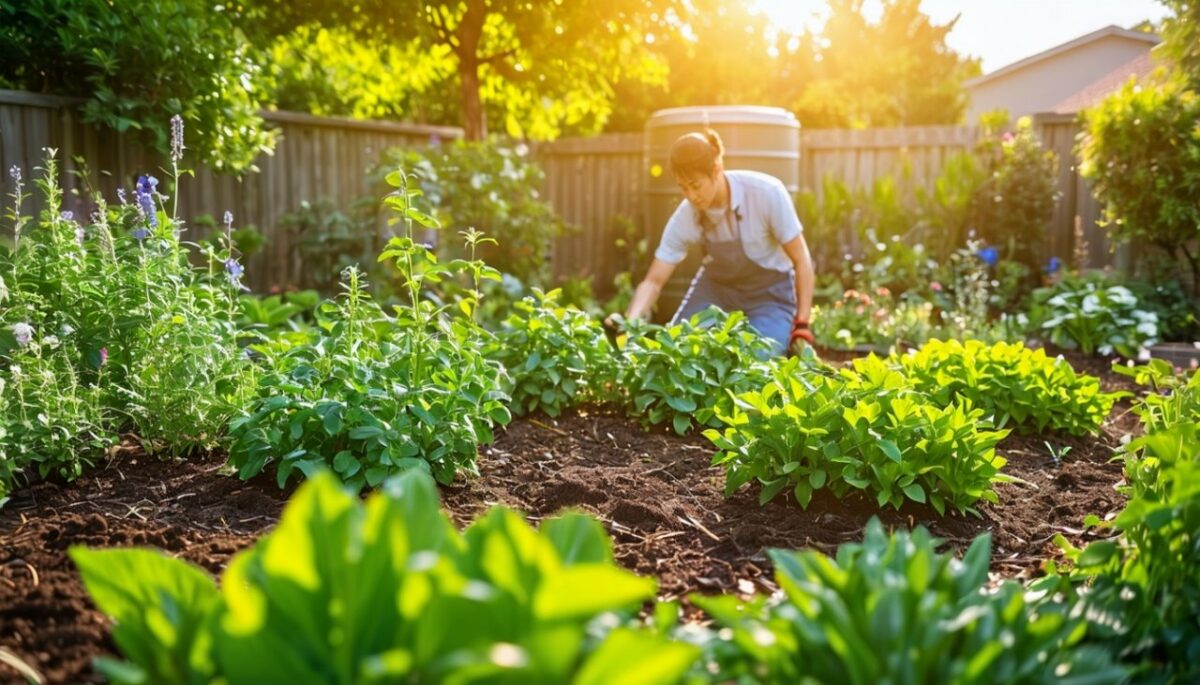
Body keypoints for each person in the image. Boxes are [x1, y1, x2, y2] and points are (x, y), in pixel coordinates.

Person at [618, 129, 814, 355]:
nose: (691, 196)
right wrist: (629, 324)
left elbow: (801, 259)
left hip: (768, 296)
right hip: (716, 292)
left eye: (695, 185)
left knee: (757, 362)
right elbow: (653, 281)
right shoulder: (686, 215)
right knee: (677, 349)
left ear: (716, 170)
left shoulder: (767, 193)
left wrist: (802, 323)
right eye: (683, 188)